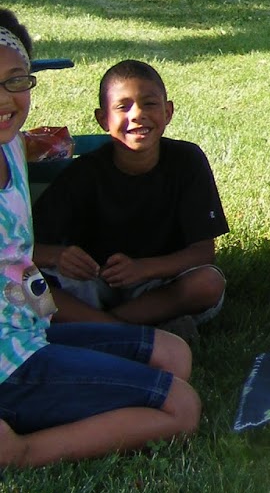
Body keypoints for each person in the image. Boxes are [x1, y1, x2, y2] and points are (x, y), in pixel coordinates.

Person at [0, 9, 200, 468]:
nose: (5, 99)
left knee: (174, 353)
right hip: (9, 368)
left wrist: (49, 319)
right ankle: (20, 451)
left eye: (15, 80)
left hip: (29, 330)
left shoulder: (11, 144)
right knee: (181, 407)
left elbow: (15, 259)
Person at [33, 60, 227, 334]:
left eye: (149, 104)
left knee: (207, 283)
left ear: (168, 111)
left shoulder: (187, 160)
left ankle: (99, 328)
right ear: (103, 119)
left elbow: (204, 253)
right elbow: (25, 250)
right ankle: (129, 330)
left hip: (160, 283)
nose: (137, 115)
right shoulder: (84, 172)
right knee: (26, 288)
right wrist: (60, 256)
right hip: (92, 283)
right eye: (123, 107)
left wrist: (143, 269)